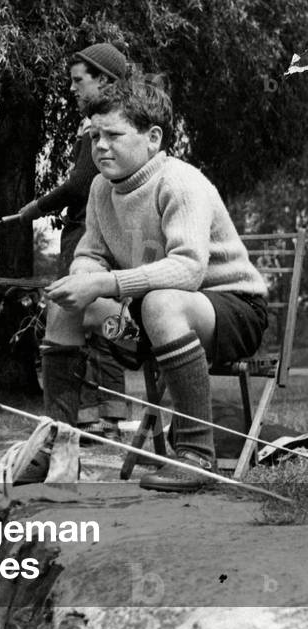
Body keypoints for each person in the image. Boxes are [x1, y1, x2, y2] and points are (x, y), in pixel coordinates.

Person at [42, 80, 268, 492]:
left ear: (152, 138)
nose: (101, 146)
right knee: (64, 306)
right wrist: (80, 279)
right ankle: (55, 450)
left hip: (230, 314)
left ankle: (197, 456)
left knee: (162, 302)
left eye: (113, 135)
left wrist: (106, 283)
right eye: (94, 136)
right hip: (149, 317)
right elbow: (91, 253)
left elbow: (187, 271)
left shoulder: (179, 182)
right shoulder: (99, 189)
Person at [18, 42, 131, 441]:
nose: (72, 88)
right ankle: (84, 418)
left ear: (104, 80)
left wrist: (35, 207)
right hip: (88, 229)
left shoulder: (105, 125)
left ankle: (90, 420)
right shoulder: (104, 121)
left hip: (91, 235)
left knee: (80, 314)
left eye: (78, 80)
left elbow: (82, 184)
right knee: (78, 318)